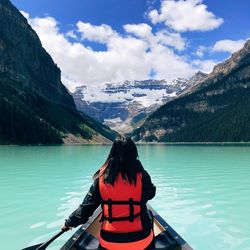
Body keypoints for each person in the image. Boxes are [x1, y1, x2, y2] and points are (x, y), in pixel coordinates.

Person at [61, 136, 156, 249]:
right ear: (134, 153)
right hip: (141, 241)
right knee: (149, 215)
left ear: (112, 153)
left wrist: (69, 223)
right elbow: (151, 194)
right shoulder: (142, 175)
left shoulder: (101, 179)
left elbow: (85, 209)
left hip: (110, 242)